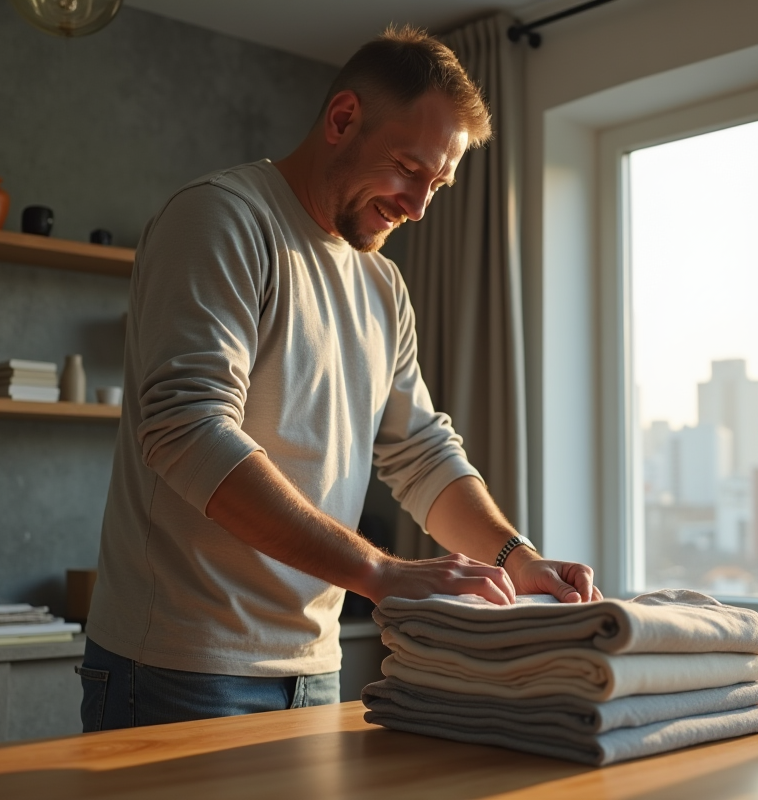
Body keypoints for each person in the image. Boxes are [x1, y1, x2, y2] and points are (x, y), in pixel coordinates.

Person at [78, 24, 599, 731]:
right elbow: (188, 432)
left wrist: (517, 556)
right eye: (408, 170)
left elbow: (422, 455)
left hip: (316, 668)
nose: (418, 206)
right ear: (343, 118)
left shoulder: (383, 286)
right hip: (179, 664)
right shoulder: (221, 220)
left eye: (437, 185)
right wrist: (380, 573)